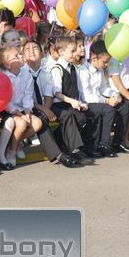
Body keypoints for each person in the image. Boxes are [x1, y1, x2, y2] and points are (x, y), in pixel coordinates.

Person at [48, 36, 94, 165]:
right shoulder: (57, 69)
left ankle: (62, 140)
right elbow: (57, 93)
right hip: (58, 105)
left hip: (70, 103)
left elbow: (75, 88)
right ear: (61, 52)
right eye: (72, 51)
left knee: (85, 117)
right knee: (68, 116)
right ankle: (75, 150)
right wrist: (72, 102)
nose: (74, 54)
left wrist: (80, 102)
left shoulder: (72, 67)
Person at [0, 46, 42, 166]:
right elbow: (5, 101)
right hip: (9, 111)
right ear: (7, 64)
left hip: (23, 108)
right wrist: (19, 114)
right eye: (16, 56)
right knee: (22, 124)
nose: (21, 56)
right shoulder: (3, 77)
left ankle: (16, 143)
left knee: (37, 123)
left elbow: (28, 94)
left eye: (20, 54)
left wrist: (27, 112)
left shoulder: (25, 73)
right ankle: (12, 150)